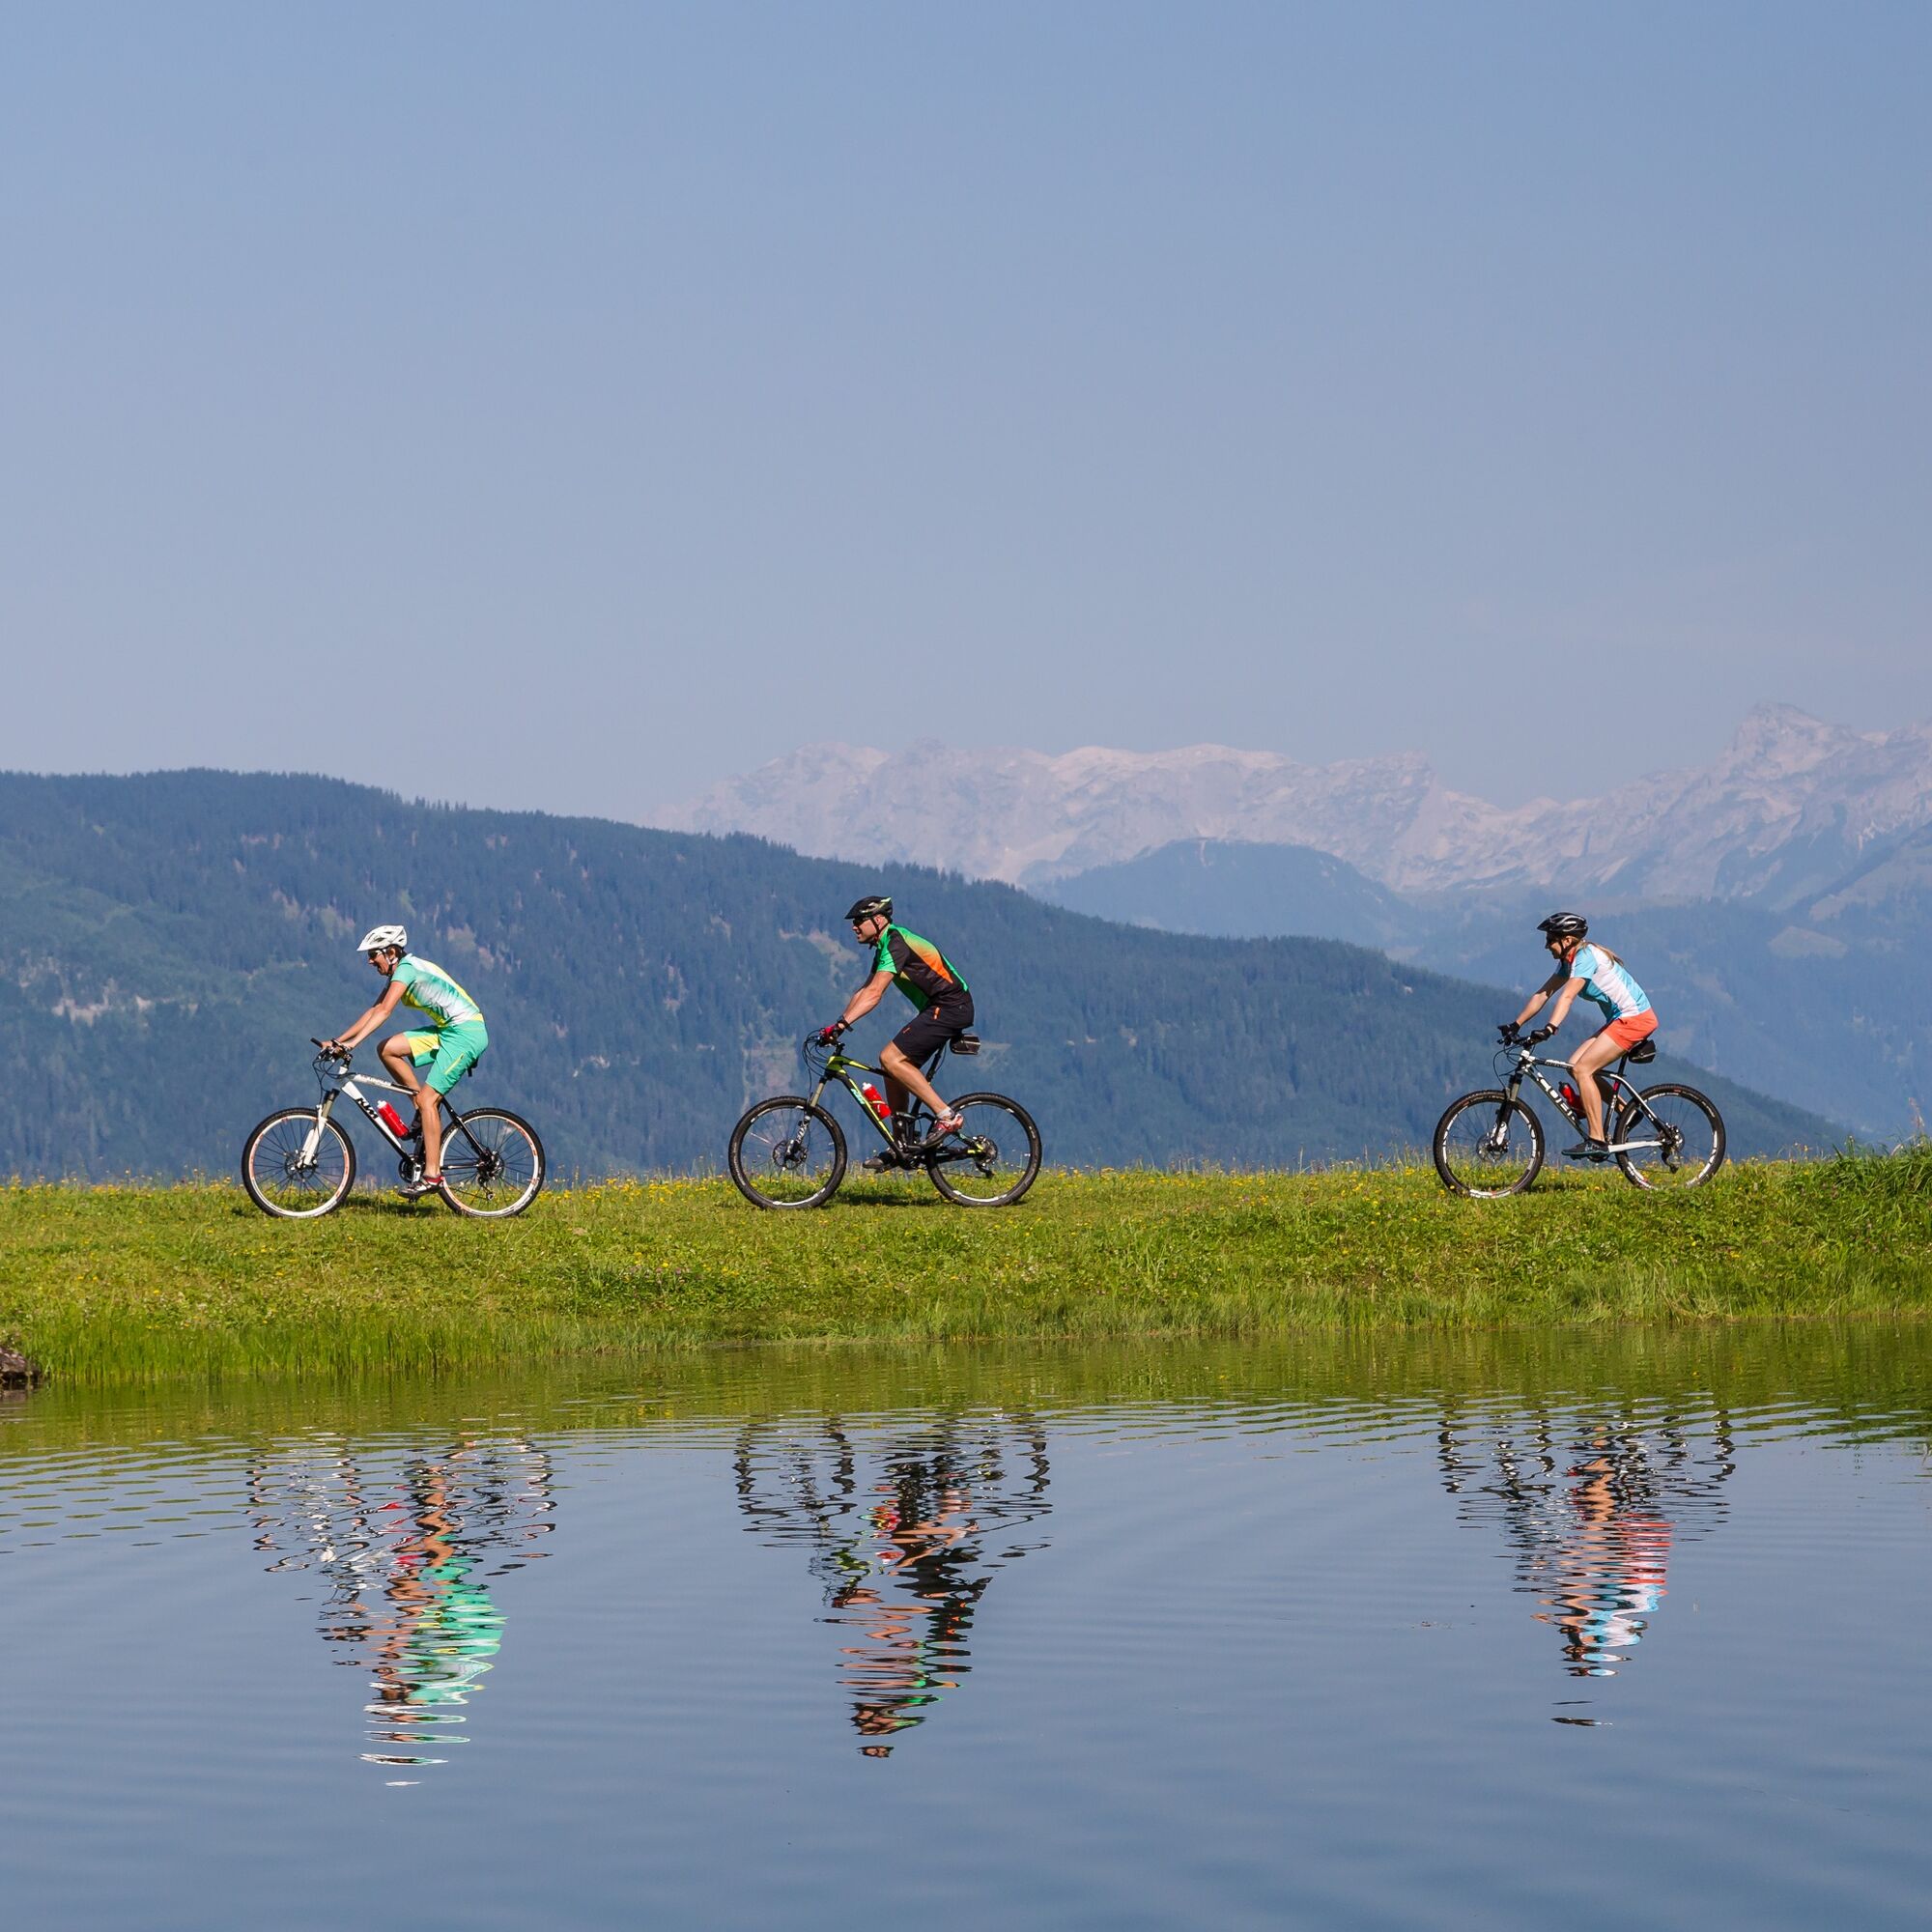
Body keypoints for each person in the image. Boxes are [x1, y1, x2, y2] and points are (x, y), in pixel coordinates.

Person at [324, 924, 490, 1199]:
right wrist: (338, 1041)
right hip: (448, 1031)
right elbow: (374, 1010)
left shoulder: (406, 970)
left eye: (373, 954)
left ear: (391, 952)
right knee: (387, 1049)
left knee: (429, 1100)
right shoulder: (399, 973)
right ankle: (420, 1109)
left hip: (466, 1034)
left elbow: (385, 1012)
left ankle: (432, 1175)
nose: (369, 961)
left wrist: (352, 1045)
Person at [1500, 913, 1659, 1161]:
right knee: (1574, 1065)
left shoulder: (1585, 957)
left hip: (1634, 1019)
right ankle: (1626, 1111)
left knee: (1583, 1070)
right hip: (1621, 1020)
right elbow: (1544, 993)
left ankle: (1597, 1140)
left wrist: (1550, 1028)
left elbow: (1567, 996)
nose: (1546, 946)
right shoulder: (1569, 961)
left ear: (1567, 940)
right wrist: (1516, 1024)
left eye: (1550, 940)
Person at [821, 895, 971, 1145]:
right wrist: (836, 1025)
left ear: (879, 920)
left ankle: (947, 1116)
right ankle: (902, 1143)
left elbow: (874, 994)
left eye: (859, 920)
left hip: (950, 1006)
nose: (854, 927)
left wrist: (842, 1025)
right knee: (892, 1070)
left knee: (890, 1058)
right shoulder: (885, 945)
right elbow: (863, 991)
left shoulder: (896, 942)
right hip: (940, 1008)